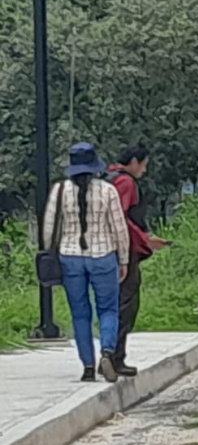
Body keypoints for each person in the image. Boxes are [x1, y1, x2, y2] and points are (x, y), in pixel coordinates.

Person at [43, 143, 131, 382]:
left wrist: (51, 254)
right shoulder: (107, 190)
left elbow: (49, 229)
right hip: (103, 256)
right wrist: (124, 258)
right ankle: (107, 352)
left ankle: (88, 367)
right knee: (108, 309)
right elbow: (119, 229)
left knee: (80, 313)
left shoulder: (60, 190)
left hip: (70, 258)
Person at [108, 146, 169, 369]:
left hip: (103, 250)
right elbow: (121, 219)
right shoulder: (125, 182)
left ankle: (109, 355)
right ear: (134, 161)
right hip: (123, 250)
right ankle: (115, 358)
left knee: (110, 303)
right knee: (126, 304)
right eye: (143, 164)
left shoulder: (108, 177)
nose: (144, 169)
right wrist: (145, 240)